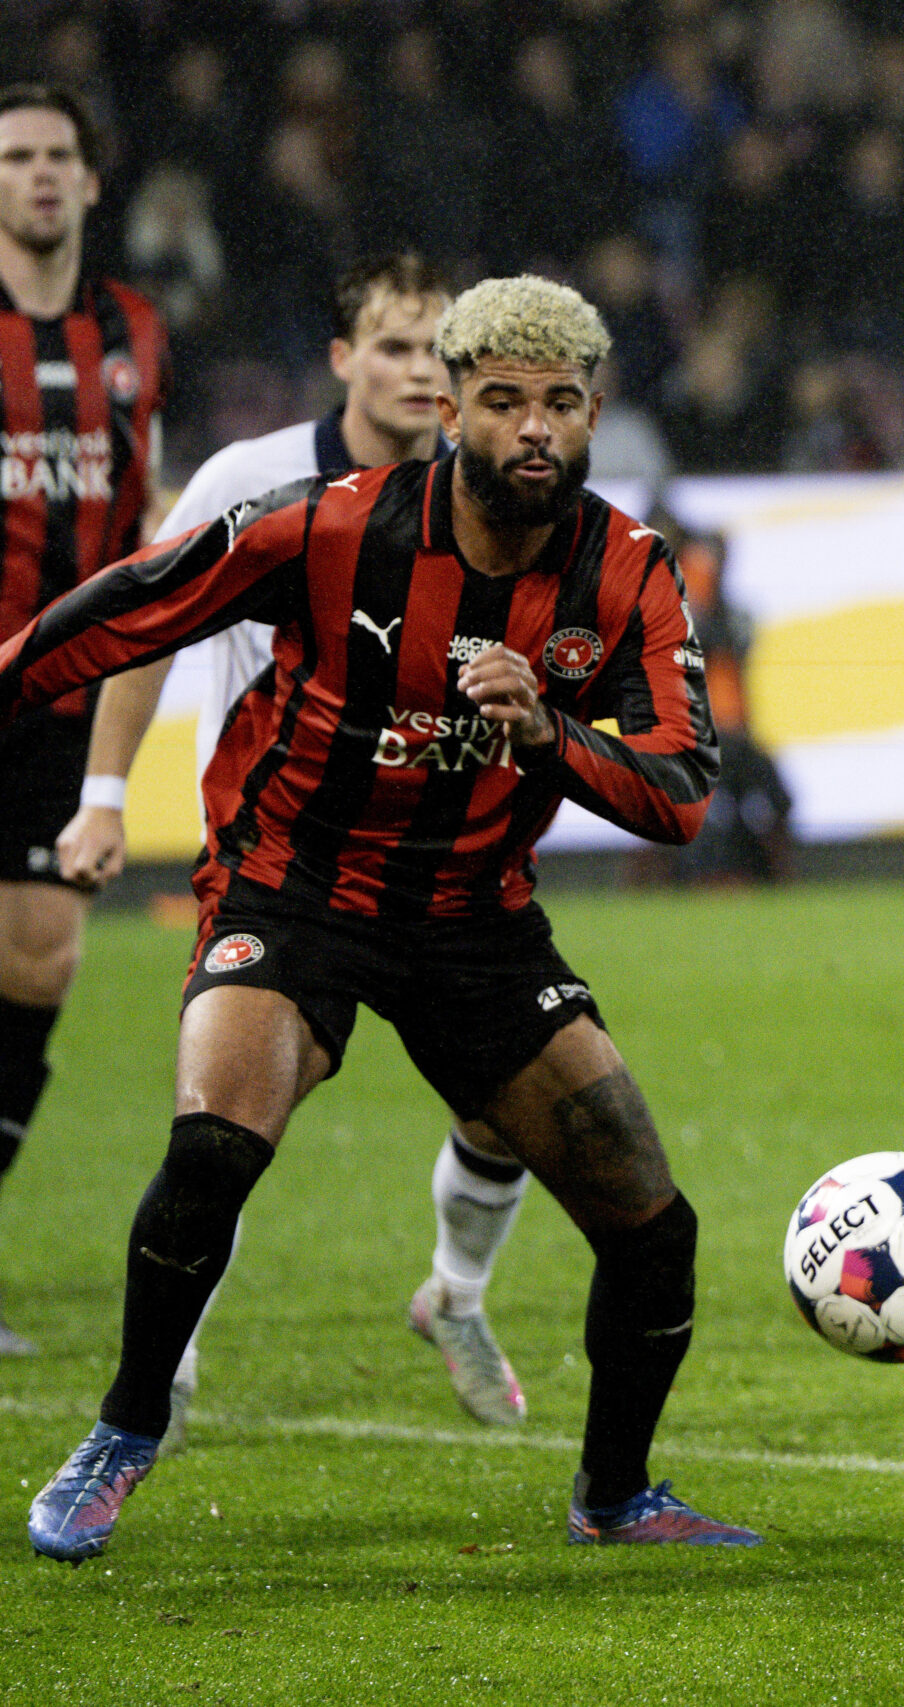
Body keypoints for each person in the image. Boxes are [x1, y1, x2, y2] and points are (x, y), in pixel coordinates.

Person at [11, 275, 756, 1560]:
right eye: (505, 401)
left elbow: (684, 793)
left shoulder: (627, 568)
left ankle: (617, 1495)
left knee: (652, 1221)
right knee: (213, 1149)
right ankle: (123, 1433)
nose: (534, 429)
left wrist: (550, 733)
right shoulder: (327, 527)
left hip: (476, 918)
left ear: (595, 415)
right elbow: (137, 603)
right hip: (295, 887)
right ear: (452, 406)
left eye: (562, 405)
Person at [58, 254, 538, 1443]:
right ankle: (157, 1384)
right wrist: (105, 793)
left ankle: (455, 1297)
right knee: (223, 1130)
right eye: (393, 347)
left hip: (440, 858)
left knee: (511, 1107)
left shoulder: (487, 486)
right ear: (340, 359)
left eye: (441, 351)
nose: (420, 372)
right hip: (287, 859)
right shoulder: (254, 479)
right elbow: (147, 631)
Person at [0, 84, 167, 1358]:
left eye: (61, 155)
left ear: (92, 183)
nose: (42, 175)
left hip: (62, 693)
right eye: (18, 157)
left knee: (38, 960)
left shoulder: (133, 328)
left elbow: (143, 495)